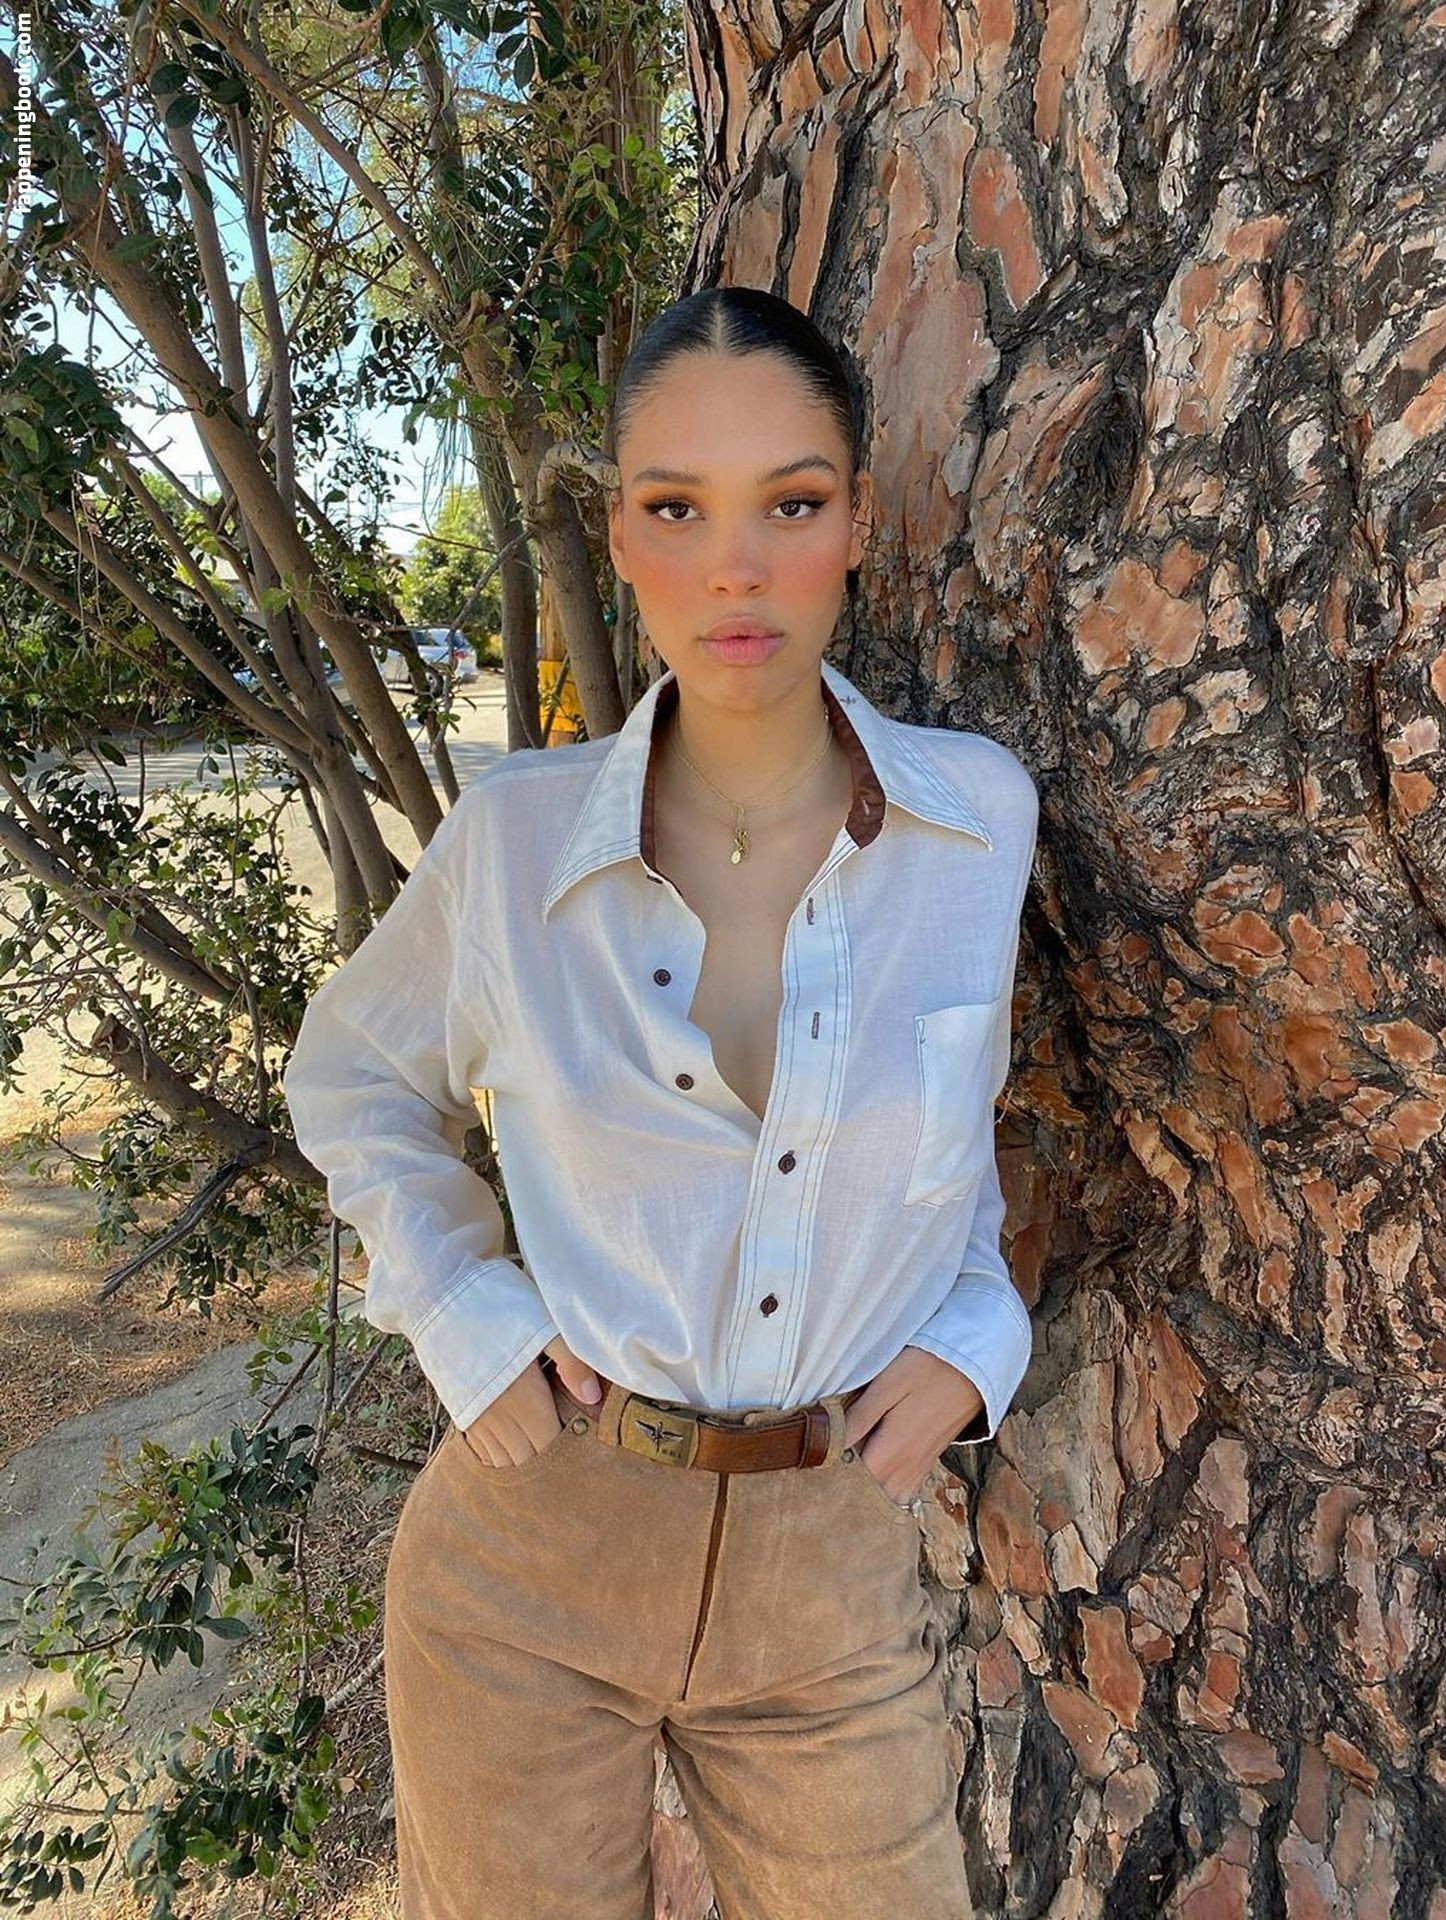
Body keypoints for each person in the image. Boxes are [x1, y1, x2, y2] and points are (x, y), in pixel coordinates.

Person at [281, 286, 1040, 1919]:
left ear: (857, 522)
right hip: (531, 1548)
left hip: (828, 1565)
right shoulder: (514, 840)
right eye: (677, 509)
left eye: (791, 504)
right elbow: (353, 1077)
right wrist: (464, 1314)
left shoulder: (980, 824)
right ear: (620, 537)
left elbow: (950, 1156)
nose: (734, 567)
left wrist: (980, 1338)